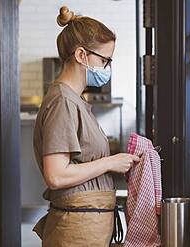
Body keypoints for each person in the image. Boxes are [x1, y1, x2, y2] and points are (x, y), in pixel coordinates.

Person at [32, 6, 139, 246]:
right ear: (81, 55)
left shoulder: (74, 99)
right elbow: (56, 175)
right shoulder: (62, 101)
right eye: (104, 60)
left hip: (88, 225)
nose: (107, 68)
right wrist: (111, 162)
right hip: (76, 230)